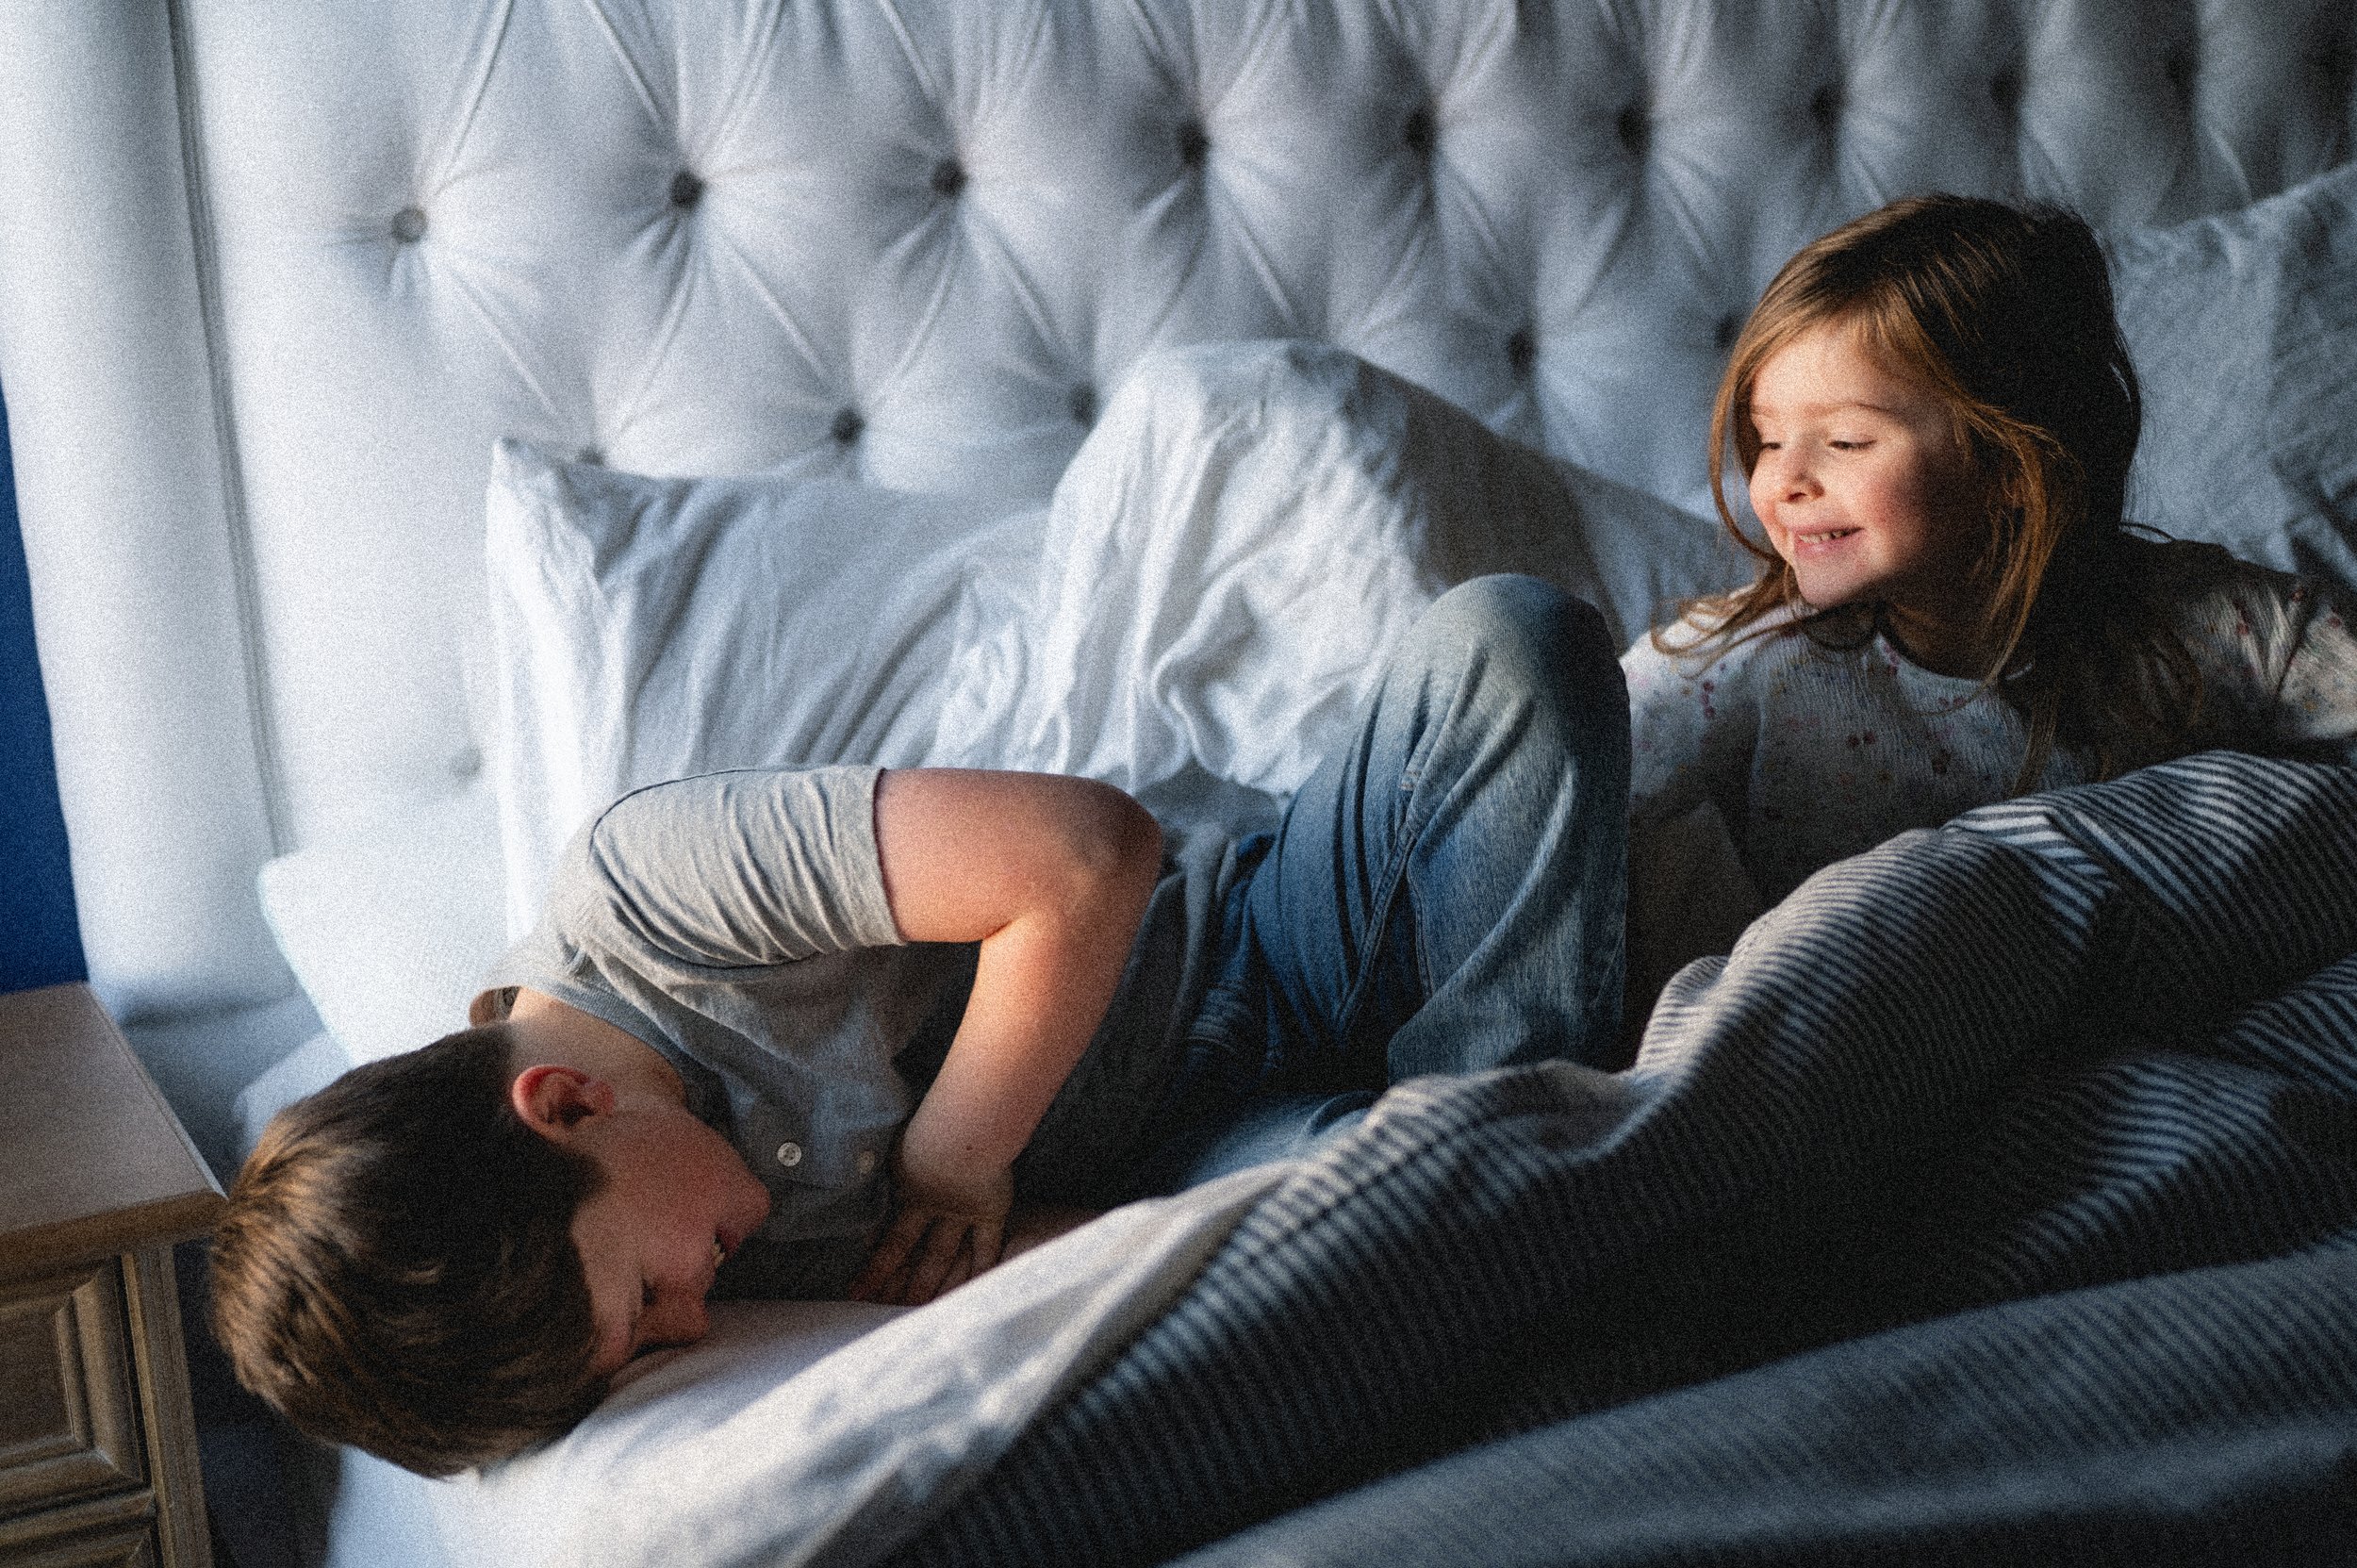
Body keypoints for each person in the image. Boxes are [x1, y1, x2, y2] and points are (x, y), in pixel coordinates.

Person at [209, 571, 1633, 1477]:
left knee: (1509, 639)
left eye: (642, 1300)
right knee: (1374, 1232)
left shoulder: (649, 893)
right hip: (1203, 1150)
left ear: (568, 1104)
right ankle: (1512, 1161)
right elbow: (1039, 1257)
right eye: (652, 1344)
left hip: (1265, 931)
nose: (694, 1320)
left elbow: (1086, 855)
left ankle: (1502, 1148)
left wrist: (952, 1159)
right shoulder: (683, 1221)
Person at [1620, 194, 2357, 1011]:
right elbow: (1565, 796)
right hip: (1874, 1031)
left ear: (2013, 464)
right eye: (1766, 439)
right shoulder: (1734, 666)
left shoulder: (2212, 626)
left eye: (1846, 441)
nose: (1782, 480)